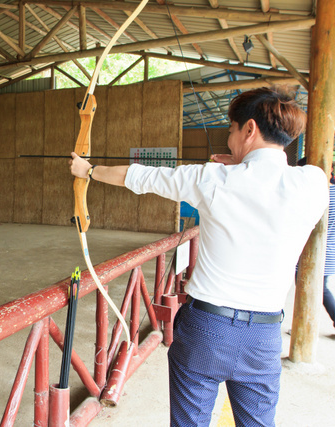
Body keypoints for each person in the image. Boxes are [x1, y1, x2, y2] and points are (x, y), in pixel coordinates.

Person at [69, 86, 328, 426]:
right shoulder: (314, 182)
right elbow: (267, 180)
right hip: (264, 336)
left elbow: (142, 177)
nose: (229, 140)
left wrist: (87, 170)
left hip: (207, 327)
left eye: (232, 131)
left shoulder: (212, 177)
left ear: (249, 129)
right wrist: (240, 162)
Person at [297, 157, 335, 328]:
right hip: (330, 250)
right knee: (317, 288)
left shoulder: (312, 194)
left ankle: (304, 327)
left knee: (315, 289)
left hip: (315, 251)